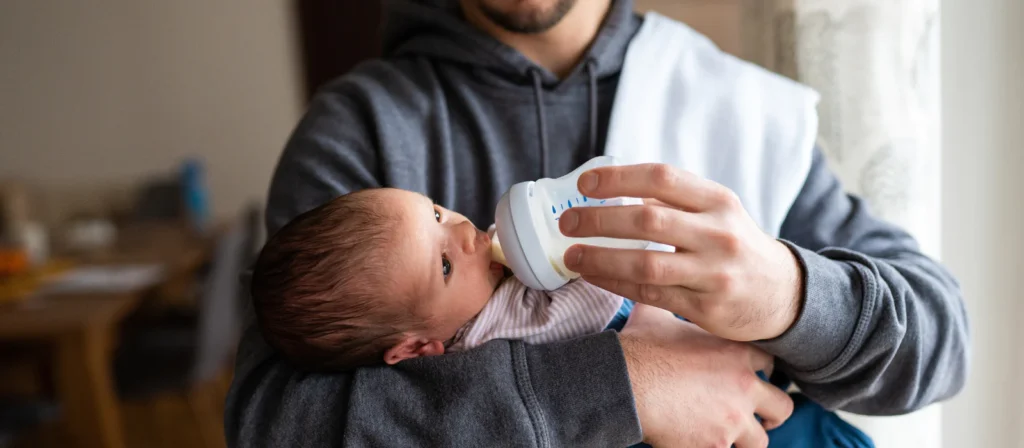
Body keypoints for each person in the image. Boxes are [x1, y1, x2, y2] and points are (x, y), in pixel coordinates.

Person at [226, 0, 970, 446]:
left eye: (441, 213)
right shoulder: (362, 129)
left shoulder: (739, 108)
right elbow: (275, 427)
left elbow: (941, 342)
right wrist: (625, 386)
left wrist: (790, 294)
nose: (455, 231)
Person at [249, 187, 625, 370]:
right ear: (415, 348)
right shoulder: (490, 333)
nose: (463, 231)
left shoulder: (473, 292)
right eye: (444, 266)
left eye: (435, 215)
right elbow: (593, 304)